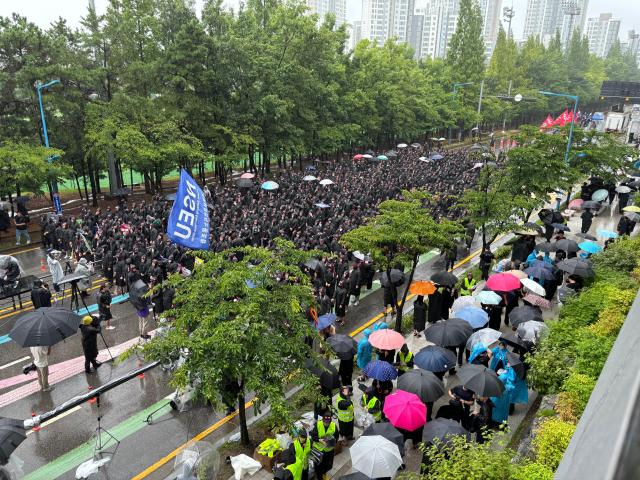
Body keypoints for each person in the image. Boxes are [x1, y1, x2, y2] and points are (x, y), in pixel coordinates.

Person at [310, 412, 338, 480]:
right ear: (322, 420)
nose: (326, 423)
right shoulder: (317, 424)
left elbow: (336, 437)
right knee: (318, 466)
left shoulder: (333, 426)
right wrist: (319, 440)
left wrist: (331, 443)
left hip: (328, 451)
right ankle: (319, 477)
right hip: (318, 451)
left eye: (328, 422)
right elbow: (313, 436)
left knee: (327, 464)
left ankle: (324, 473)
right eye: (325, 422)